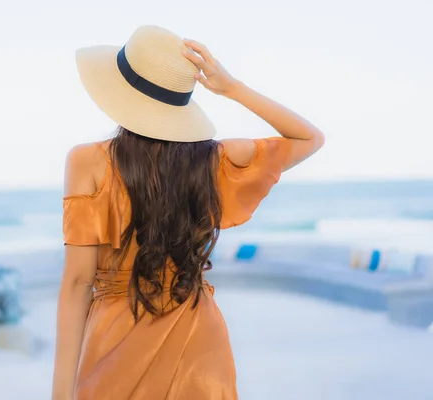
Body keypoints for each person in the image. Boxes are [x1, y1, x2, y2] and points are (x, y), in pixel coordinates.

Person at [52, 25, 324, 400]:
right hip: (200, 342)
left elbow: (76, 284)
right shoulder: (214, 160)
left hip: (117, 342)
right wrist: (232, 88)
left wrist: (60, 394)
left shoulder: (87, 162)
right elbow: (309, 138)